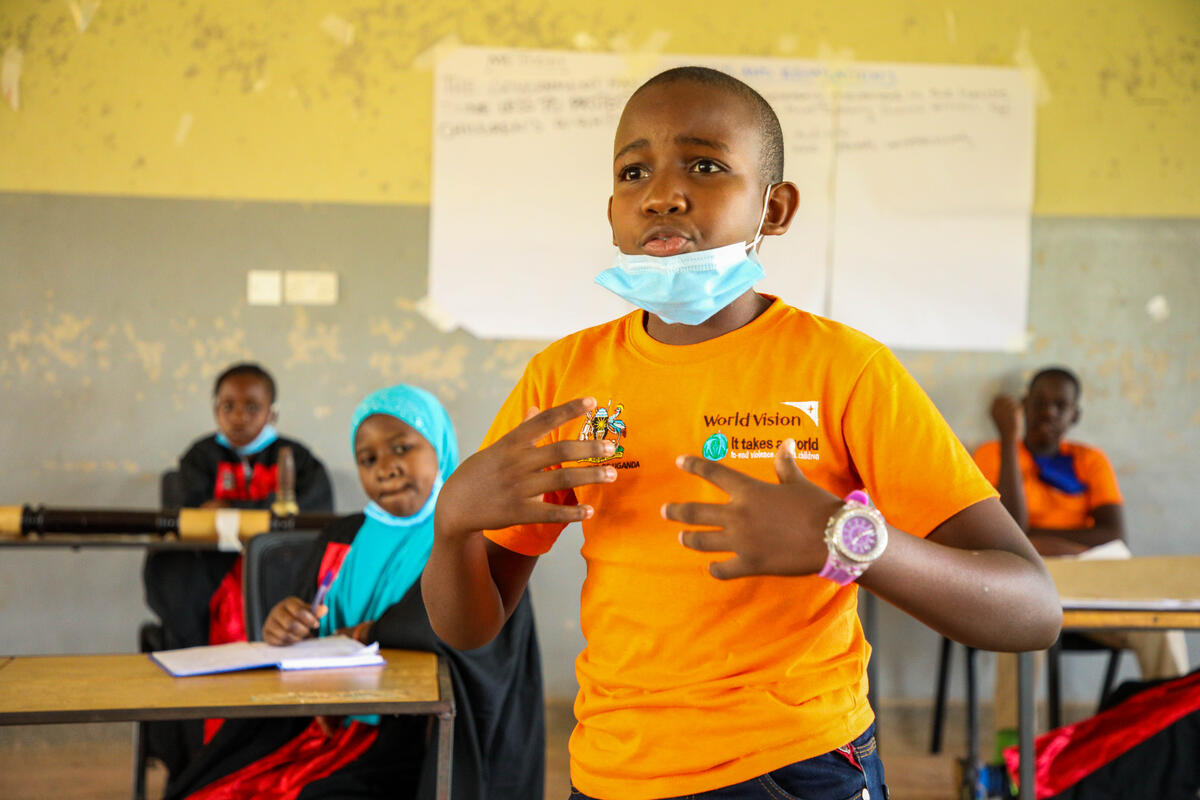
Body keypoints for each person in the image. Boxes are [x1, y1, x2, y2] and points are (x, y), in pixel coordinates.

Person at [420, 66, 1062, 800]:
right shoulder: (563, 379)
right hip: (610, 773)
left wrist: (850, 543)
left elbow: (1031, 608)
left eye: (705, 164)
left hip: (796, 767)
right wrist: (452, 527)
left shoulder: (844, 369)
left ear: (775, 207)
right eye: (635, 172)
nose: (662, 192)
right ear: (612, 211)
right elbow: (471, 628)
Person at [164, 384, 545, 800]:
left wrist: (369, 633)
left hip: (409, 739)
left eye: (402, 449)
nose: (386, 467)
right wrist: (286, 626)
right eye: (368, 459)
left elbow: (464, 636)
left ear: (439, 446)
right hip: (320, 723)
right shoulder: (343, 537)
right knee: (205, 787)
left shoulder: (467, 538)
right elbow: (308, 622)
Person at [976, 366, 1188, 777]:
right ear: (1023, 406)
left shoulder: (1090, 461)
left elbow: (1112, 534)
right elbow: (1006, 532)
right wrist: (1007, 438)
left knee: (1162, 625)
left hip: (1090, 595)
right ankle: (1013, 761)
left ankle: (1177, 742)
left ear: (1075, 416)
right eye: (1039, 403)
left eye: (1061, 406)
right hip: (1027, 591)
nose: (1049, 413)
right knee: (1018, 622)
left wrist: (1037, 541)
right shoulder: (992, 455)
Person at [143, 362, 335, 778]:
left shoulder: (296, 459)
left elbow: (314, 515)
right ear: (216, 410)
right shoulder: (200, 457)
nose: (239, 417)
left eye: (252, 407)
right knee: (191, 637)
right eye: (228, 406)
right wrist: (263, 512)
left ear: (272, 413)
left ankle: (272, 761)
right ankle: (198, 763)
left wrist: (233, 510)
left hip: (278, 582)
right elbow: (190, 517)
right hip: (208, 579)